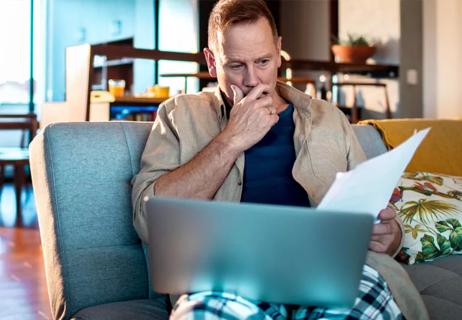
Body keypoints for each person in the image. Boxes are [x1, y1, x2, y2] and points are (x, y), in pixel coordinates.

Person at [132, 0, 419, 319]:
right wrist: (231, 140)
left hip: (331, 272)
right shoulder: (178, 115)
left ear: (279, 50)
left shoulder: (328, 118)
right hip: (226, 276)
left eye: (264, 61)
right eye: (236, 65)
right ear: (212, 62)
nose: (253, 79)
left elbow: (374, 217)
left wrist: (388, 236)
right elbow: (148, 221)